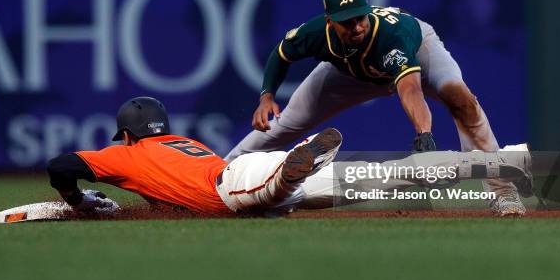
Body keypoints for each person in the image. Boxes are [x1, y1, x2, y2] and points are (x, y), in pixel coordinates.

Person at [225, 0, 527, 216]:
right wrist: (266, 96)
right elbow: (281, 54)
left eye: (360, 17)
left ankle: (503, 191)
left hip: (419, 51)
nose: (356, 26)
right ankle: (218, 174)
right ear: (330, 20)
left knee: (462, 100)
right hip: (347, 72)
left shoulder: (390, 36)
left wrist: (424, 133)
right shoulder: (315, 33)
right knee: (286, 123)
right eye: (347, 21)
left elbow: (410, 89)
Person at [47, 96, 533, 217]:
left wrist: (78, 200)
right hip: (257, 188)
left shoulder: (126, 155)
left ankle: (295, 161)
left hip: (237, 183)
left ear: (127, 135)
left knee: (256, 185)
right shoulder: (182, 146)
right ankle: (503, 159)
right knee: (389, 178)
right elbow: (173, 187)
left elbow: (60, 166)